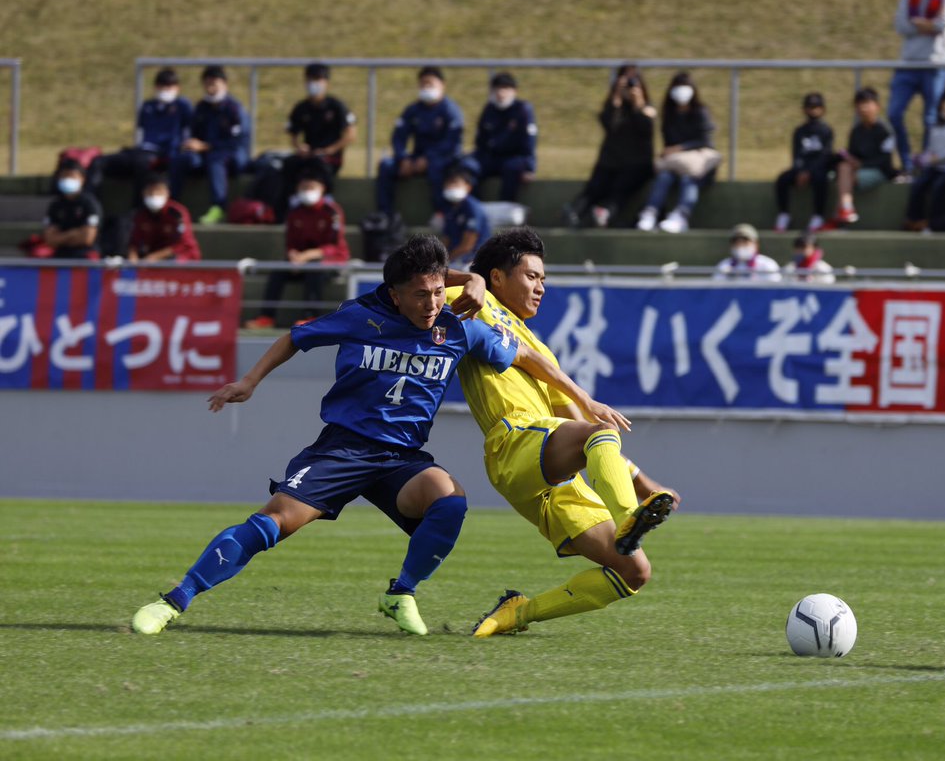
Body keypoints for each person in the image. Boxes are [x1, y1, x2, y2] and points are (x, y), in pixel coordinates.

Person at [132, 235, 626, 637]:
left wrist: (585, 401)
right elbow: (294, 337)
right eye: (421, 294)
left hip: (402, 459)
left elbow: (525, 357)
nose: (433, 303)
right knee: (272, 525)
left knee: (450, 501)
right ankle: (174, 601)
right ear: (395, 293)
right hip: (343, 447)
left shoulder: (458, 328)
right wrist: (249, 381)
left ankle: (401, 593)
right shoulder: (363, 316)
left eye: (438, 292)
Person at [449, 229, 679, 638]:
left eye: (543, 280)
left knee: (633, 571)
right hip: (513, 440)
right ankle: (628, 518)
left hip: (554, 478)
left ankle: (517, 613)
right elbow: (409, 276)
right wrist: (470, 279)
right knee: (594, 433)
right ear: (498, 277)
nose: (541, 288)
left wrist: (643, 481)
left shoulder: (543, 349)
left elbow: (586, 434)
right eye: (532, 276)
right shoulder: (474, 303)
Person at [243, 172, 349, 329]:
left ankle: (310, 316)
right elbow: (291, 243)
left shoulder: (331, 212)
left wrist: (307, 256)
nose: (307, 191)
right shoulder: (295, 213)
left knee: (314, 269)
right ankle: (266, 316)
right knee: (278, 270)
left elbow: (334, 246)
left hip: (329, 261)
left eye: (311, 187)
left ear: (322, 189)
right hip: (300, 261)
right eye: (304, 187)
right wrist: (293, 255)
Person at [888, 0, 945, 174]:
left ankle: (926, 165)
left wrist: (924, 24)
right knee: (894, 113)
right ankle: (907, 163)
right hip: (908, 63)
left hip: (935, 65)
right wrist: (928, 25)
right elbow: (901, 25)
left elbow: (944, 23)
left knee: (931, 118)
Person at [564, 64, 656, 228]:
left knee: (620, 188)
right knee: (595, 186)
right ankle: (574, 212)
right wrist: (616, 99)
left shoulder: (646, 108)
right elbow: (609, 125)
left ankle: (604, 212)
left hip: (637, 163)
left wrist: (638, 104)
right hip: (611, 160)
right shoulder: (613, 107)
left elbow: (646, 128)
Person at [87, 67, 194, 206]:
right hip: (139, 151)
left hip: (159, 155)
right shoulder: (147, 106)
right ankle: (90, 204)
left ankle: (136, 210)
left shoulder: (182, 106)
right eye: (162, 86)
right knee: (98, 162)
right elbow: (142, 132)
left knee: (142, 165)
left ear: (177, 88)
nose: (165, 90)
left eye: (169, 86)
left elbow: (188, 132)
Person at [375, 66, 465, 221]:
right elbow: (398, 137)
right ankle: (385, 213)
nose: (427, 87)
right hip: (415, 159)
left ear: (442, 85)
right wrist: (403, 158)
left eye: (431, 84)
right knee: (386, 166)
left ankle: (441, 213)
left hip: (443, 158)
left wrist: (428, 158)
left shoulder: (451, 110)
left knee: (437, 168)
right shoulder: (413, 110)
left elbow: (452, 142)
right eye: (423, 84)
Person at [636, 72, 720, 234]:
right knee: (664, 177)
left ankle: (681, 215)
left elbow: (705, 141)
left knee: (688, 180)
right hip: (676, 166)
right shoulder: (669, 114)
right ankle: (650, 212)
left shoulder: (700, 112)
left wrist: (680, 148)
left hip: (699, 165)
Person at [169, 65, 250, 225]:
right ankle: (172, 205)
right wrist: (190, 144)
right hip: (205, 155)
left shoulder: (234, 109)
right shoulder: (201, 108)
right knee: (182, 159)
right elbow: (194, 134)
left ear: (224, 85)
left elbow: (235, 142)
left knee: (216, 160)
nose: (211, 88)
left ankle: (218, 207)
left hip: (232, 157)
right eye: (207, 84)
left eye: (215, 84)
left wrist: (206, 146)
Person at [280, 62, 357, 210]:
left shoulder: (336, 106)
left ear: (326, 82)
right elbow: (293, 134)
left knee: (318, 165)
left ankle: (327, 201)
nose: (314, 84)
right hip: (309, 153)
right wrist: (299, 147)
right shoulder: (301, 108)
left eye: (318, 79)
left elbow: (351, 134)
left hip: (330, 156)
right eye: (310, 79)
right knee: (289, 164)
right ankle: (290, 203)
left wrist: (331, 149)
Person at [903, 86, 945, 231]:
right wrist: (922, 157)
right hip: (935, 167)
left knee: (938, 188)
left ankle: (934, 224)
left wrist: (938, 158)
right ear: (941, 103)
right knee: (918, 184)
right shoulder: (936, 124)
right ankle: (914, 220)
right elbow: (931, 149)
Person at [464, 72, 537, 203]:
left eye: (505, 89)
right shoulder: (489, 109)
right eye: (497, 89)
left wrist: (530, 168)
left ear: (514, 91)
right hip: (490, 157)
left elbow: (529, 141)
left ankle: (505, 207)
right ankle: (475, 207)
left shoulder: (523, 110)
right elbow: (481, 139)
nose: (501, 93)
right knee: (467, 165)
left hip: (514, 158)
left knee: (512, 168)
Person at [834, 88, 899, 225]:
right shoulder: (856, 131)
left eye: (867, 103)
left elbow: (885, 160)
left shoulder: (885, 131)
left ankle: (840, 214)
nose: (863, 108)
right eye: (859, 104)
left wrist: (862, 164)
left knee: (846, 179)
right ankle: (846, 209)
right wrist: (849, 159)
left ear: (877, 106)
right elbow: (853, 153)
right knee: (843, 167)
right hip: (858, 169)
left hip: (880, 171)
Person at [773, 92, 835, 233]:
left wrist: (809, 172)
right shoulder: (800, 131)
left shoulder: (826, 131)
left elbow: (826, 155)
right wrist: (800, 170)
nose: (813, 110)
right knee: (782, 179)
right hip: (801, 168)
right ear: (804, 109)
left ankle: (818, 216)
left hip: (818, 170)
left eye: (816, 106)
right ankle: (784, 214)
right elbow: (796, 154)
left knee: (821, 180)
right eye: (810, 106)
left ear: (822, 109)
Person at [127, 174, 201, 262]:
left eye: (158, 191)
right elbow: (134, 241)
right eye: (150, 192)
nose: (154, 195)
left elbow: (183, 243)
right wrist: (132, 256)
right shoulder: (140, 215)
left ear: (167, 192)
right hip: (151, 259)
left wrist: (157, 256)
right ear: (143, 193)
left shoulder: (177, 213)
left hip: (181, 258)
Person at [42, 159, 101, 259]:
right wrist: (74, 234)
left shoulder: (89, 204)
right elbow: (50, 240)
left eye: (72, 176)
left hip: (85, 256)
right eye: (64, 176)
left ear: (82, 179)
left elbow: (87, 238)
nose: (67, 179)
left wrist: (61, 237)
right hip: (60, 256)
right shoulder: (56, 205)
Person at [440, 165, 490, 268]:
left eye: (456, 183)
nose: (451, 187)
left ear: (468, 187)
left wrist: (444, 262)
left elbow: (467, 246)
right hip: (454, 258)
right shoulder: (450, 208)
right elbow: (446, 239)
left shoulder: (472, 208)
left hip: (472, 260)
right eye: (449, 183)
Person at [713, 224, 782, 282]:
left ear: (756, 244)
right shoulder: (723, 266)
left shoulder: (767, 265)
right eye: (736, 242)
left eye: (745, 242)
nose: (740, 246)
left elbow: (775, 292)